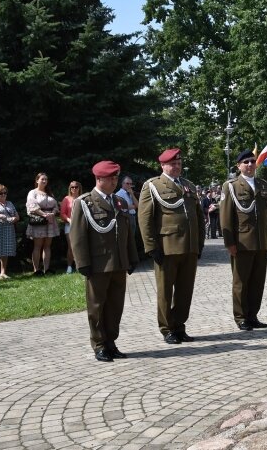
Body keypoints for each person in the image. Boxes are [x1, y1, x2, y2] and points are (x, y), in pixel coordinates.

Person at [71, 161, 139, 362]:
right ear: (98, 179)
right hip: (98, 263)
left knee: (115, 305)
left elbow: (127, 233)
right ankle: (99, 344)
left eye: (116, 178)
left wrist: (132, 257)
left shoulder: (119, 201)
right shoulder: (85, 202)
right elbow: (78, 236)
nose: (114, 181)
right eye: (110, 178)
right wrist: (83, 263)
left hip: (118, 262)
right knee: (97, 306)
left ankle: (111, 342)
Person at [138, 148, 205, 344]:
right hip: (166, 248)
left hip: (189, 248)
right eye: (172, 164)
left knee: (185, 291)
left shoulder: (189, 185)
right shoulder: (153, 186)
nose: (176, 166)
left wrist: (199, 244)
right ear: (162, 165)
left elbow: (199, 217)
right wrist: (151, 247)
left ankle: (179, 325)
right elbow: (145, 219)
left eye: (179, 163)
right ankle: (167, 328)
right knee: (166, 291)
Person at [220, 150, 267, 331]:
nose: (250, 165)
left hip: (261, 242)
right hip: (242, 242)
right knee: (241, 281)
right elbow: (226, 217)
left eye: (252, 161)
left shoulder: (263, 185)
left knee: (258, 281)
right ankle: (241, 317)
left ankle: (253, 315)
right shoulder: (231, 186)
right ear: (239, 166)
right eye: (246, 162)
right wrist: (230, 243)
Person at [26, 172, 60, 275]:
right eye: (42, 179)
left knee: (47, 246)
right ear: (37, 180)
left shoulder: (49, 193)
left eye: (46, 179)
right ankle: (36, 270)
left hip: (50, 221)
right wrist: (44, 215)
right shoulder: (33, 192)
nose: (44, 181)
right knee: (38, 246)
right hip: (39, 221)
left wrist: (52, 213)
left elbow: (56, 206)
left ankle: (47, 269)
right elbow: (32, 206)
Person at [60, 181, 82, 274]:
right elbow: (62, 213)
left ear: (79, 188)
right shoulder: (66, 199)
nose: (74, 189)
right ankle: (69, 266)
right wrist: (69, 220)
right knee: (71, 246)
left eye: (76, 187)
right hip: (69, 225)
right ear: (70, 188)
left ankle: (80, 266)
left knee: (81, 246)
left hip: (81, 225)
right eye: (72, 187)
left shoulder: (83, 198)